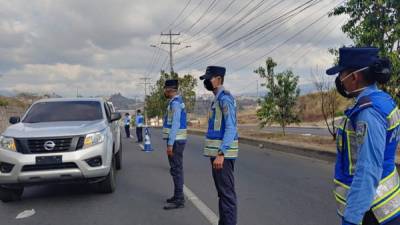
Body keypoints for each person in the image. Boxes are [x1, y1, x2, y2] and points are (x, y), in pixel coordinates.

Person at [326, 47, 400, 225]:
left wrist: (352, 218)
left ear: (354, 77)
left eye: (342, 74)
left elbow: (368, 168)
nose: (340, 81)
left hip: (372, 211)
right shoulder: (382, 99)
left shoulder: (368, 113)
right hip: (383, 207)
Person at [200, 66, 239, 225]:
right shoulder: (217, 99)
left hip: (223, 155)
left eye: (209, 78)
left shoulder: (225, 99)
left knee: (227, 195)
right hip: (217, 154)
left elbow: (231, 127)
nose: (206, 82)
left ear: (218, 79)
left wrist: (221, 154)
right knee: (223, 194)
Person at [162, 79, 188, 210]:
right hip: (177, 140)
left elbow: (176, 124)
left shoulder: (175, 104)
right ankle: (177, 195)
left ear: (170, 89)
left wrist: (170, 144)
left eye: (165, 89)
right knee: (175, 169)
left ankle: (179, 199)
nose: (164, 91)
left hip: (176, 141)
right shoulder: (175, 102)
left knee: (176, 170)